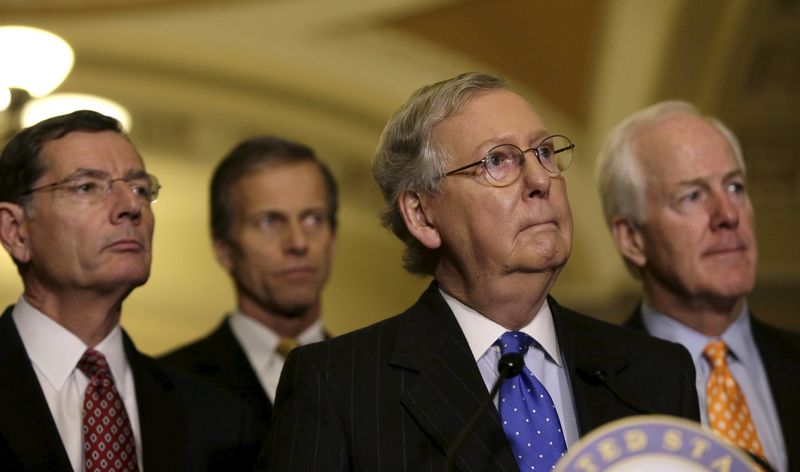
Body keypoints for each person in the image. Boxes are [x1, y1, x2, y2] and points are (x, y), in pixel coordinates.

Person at [264, 73, 699, 471]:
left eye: (544, 152)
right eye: (498, 161)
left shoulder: (656, 374)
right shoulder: (341, 386)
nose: (540, 180)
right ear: (422, 215)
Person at [0, 110, 260, 471]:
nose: (130, 207)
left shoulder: (220, 421)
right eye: (87, 186)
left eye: (139, 189)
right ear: (15, 231)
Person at [596, 100, 800, 471]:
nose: (728, 215)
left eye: (735, 187)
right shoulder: (595, 393)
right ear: (631, 238)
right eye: (693, 195)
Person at [161, 136, 337, 438]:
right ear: (224, 249)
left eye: (312, 219)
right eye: (270, 221)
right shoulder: (167, 386)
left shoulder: (374, 377)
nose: (298, 242)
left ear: (333, 238)